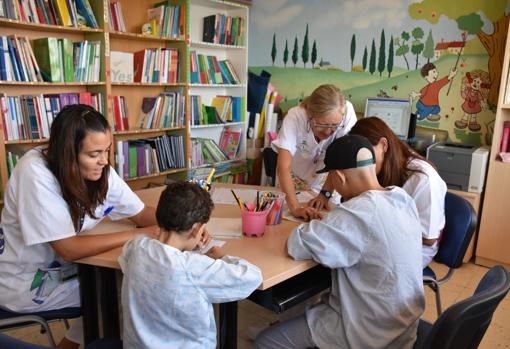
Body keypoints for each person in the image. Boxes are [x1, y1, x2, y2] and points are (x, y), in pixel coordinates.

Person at [0, 104, 157, 349]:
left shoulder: (100, 169)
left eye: (106, 150)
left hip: (68, 270)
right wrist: (139, 235)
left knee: (123, 283)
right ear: (68, 153)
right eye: (93, 154)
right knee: (128, 292)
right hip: (26, 281)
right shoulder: (35, 172)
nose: (104, 161)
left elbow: (141, 213)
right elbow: (68, 248)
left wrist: (184, 220)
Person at [255, 135, 425, 349]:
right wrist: (334, 220)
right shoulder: (402, 198)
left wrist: (326, 223)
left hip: (368, 334)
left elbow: (297, 245)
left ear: (338, 177)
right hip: (403, 328)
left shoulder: (356, 213)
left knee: (266, 342)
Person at [119, 181, 262, 349]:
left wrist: (183, 244)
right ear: (196, 230)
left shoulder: (137, 247)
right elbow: (253, 276)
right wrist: (223, 257)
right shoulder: (193, 268)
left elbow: (128, 255)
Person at [349, 116, 447, 267]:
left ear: (383, 145)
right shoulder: (385, 168)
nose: (364, 161)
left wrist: (380, 232)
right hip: (385, 238)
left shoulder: (423, 179)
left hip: (416, 249)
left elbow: (429, 238)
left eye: (368, 154)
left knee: (349, 262)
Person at [271, 84, 357, 221]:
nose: (329, 132)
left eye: (335, 126)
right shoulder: (295, 117)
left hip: (328, 178)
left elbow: (341, 158)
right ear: (310, 116)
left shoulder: (347, 114)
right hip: (294, 179)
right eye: (323, 125)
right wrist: (295, 207)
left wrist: (325, 193)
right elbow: (283, 167)